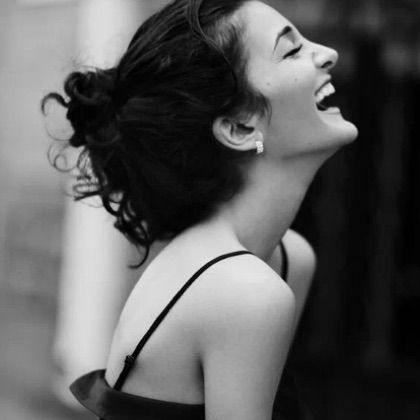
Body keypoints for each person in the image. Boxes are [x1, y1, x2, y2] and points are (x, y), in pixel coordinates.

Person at [42, 0, 358, 418]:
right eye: (291, 50)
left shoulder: (287, 261)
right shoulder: (246, 292)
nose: (328, 53)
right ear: (239, 127)